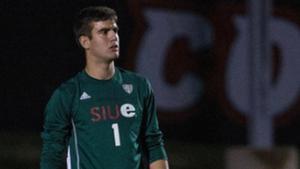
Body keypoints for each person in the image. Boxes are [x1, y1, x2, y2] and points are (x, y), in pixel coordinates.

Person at [40, 6, 169, 169]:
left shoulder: (139, 86)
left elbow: (153, 143)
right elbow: (52, 155)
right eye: (104, 32)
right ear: (85, 41)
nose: (113, 37)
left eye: (115, 30)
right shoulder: (67, 94)